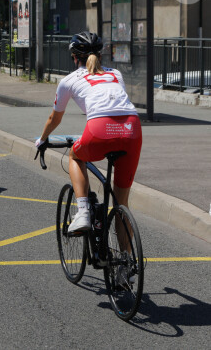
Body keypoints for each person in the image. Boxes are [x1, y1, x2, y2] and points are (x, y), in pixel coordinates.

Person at [35, 31, 142, 235]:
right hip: (132, 128)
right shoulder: (116, 74)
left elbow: (54, 119)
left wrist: (42, 140)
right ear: (100, 56)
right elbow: (116, 104)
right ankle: (126, 263)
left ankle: (83, 211)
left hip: (100, 128)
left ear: (74, 57)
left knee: (75, 156)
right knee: (122, 204)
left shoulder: (68, 81)